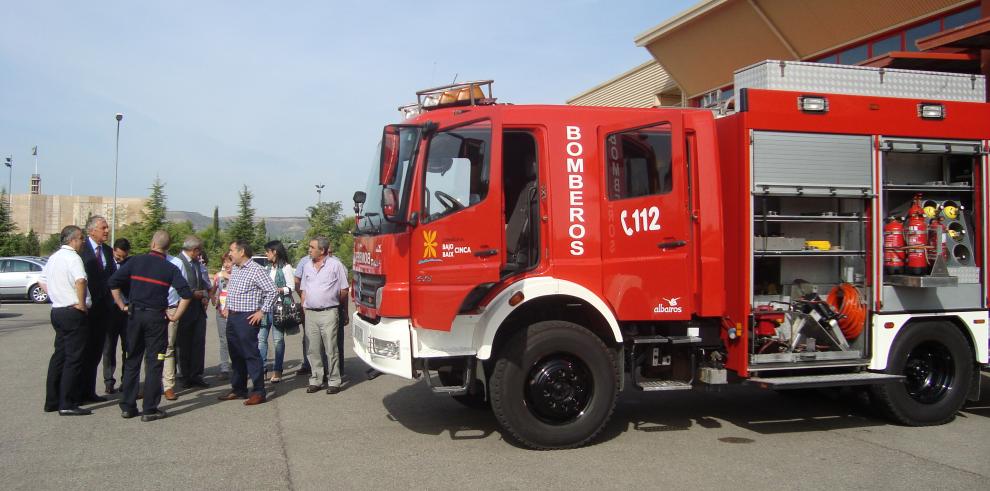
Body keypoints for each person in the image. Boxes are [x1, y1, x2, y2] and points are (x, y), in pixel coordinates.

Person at [109, 230, 192, 422]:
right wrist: (175, 316)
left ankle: (128, 406)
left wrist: (122, 305)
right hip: (156, 318)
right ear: (167, 248)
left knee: (132, 361)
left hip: (135, 316)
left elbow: (113, 282)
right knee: (155, 363)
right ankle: (149, 409)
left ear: (152, 243)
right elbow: (186, 294)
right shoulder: (170, 268)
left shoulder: (135, 262)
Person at [218, 240, 277, 406]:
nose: (230, 254)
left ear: (241, 251)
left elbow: (272, 291)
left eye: (232, 250)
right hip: (233, 316)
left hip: (247, 317)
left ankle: (258, 391)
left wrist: (262, 311)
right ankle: (238, 389)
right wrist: (228, 307)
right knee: (236, 354)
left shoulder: (256, 270)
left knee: (250, 354)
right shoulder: (236, 268)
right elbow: (233, 290)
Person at [41, 225, 93, 416]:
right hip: (72, 312)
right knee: (74, 358)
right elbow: (81, 280)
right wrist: (80, 302)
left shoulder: (54, 258)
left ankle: (52, 400)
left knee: (60, 355)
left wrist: (56, 295)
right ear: (72, 240)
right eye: (81, 238)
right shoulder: (73, 258)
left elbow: (42, 280)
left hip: (57, 310)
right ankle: (67, 402)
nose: (83, 242)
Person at [297, 237, 349, 394]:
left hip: (329, 312)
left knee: (331, 349)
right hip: (311, 313)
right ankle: (316, 379)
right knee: (312, 349)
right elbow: (304, 289)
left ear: (322, 250)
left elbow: (344, 289)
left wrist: (331, 302)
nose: (309, 250)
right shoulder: (307, 266)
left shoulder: (335, 265)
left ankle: (334, 380)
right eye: (309, 247)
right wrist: (305, 306)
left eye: (312, 247)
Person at [78, 215, 116, 402]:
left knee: (95, 352)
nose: (107, 230)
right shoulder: (81, 250)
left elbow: (112, 277)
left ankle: (89, 391)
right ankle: (76, 392)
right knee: (82, 352)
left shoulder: (108, 251)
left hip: (103, 310)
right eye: (103, 227)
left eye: (107, 227)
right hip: (85, 309)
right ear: (92, 230)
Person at [170, 236, 211, 391]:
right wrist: (193, 294)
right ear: (194, 250)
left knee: (198, 342)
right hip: (184, 308)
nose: (200, 254)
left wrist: (204, 296)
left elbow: (204, 282)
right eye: (199, 250)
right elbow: (175, 286)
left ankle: (196, 374)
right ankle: (185, 375)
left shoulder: (196, 263)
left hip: (198, 309)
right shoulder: (177, 262)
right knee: (183, 343)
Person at [258, 240, 295, 383]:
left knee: (278, 339)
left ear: (275, 252)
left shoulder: (286, 267)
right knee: (261, 339)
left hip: (279, 308)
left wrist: (279, 289)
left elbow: (290, 287)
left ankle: (278, 370)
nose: (266, 254)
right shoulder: (266, 268)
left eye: (268, 251)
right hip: (265, 307)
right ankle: (261, 369)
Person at [102, 238, 131, 394]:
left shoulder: (130, 263)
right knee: (108, 347)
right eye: (118, 256)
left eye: (123, 257)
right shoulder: (107, 263)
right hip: (110, 311)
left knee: (128, 347)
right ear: (114, 250)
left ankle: (126, 380)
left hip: (127, 311)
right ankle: (108, 380)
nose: (120, 259)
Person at [210, 253, 233, 378]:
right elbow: (212, 291)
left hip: (235, 312)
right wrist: (213, 298)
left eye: (229, 261)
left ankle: (238, 365)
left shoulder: (239, 275)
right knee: (223, 340)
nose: (226, 264)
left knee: (236, 340)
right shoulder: (218, 276)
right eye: (224, 262)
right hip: (221, 312)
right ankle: (224, 368)